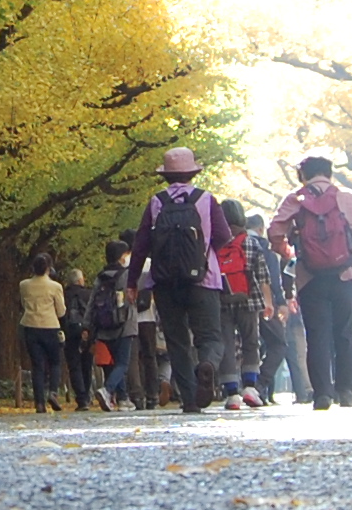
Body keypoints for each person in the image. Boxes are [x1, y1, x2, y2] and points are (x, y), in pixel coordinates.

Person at [126, 148, 239, 411]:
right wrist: (203, 252)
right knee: (210, 337)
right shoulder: (206, 199)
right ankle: (207, 363)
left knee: (177, 342)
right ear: (192, 173)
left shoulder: (156, 202)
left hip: (165, 283)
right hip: (203, 280)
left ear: (166, 175)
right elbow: (224, 236)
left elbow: (141, 245)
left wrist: (132, 282)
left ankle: (190, 400)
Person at [270, 156, 352, 410]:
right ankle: (346, 391)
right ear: (329, 173)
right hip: (345, 274)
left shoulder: (295, 199)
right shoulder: (347, 197)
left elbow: (275, 232)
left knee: (316, 334)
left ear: (303, 176)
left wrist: (291, 253)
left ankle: (322, 394)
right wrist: (343, 252)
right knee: (345, 331)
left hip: (309, 276)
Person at [216, 199, 264, 409]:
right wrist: (268, 302)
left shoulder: (215, 243)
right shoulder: (251, 242)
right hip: (249, 300)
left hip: (222, 301)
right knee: (250, 342)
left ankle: (232, 393)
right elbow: (262, 275)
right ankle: (250, 387)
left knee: (226, 345)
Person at [247, 213, 298, 404]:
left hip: (233, 302)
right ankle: (259, 386)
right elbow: (272, 281)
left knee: (248, 344)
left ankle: (235, 387)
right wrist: (281, 303)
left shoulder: (233, 245)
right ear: (261, 228)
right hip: (263, 303)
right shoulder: (266, 251)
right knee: (278, 344)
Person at [17, 253, 68, 412]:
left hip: (30, 326)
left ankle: (39, 402)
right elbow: (61, 311)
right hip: (50, 326)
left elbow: (23, 304)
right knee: (55, 362)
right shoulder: (55, 287)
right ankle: (53, 392)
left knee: (37, 365)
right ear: (48, 268)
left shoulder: (24, 285)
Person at [94, 241, 138, 408]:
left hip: (104, 325)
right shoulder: (127, 275)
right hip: (124, 324)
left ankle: (123, 398)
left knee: (116, 363)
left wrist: (88, 325)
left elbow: (92, 302)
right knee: (122, 363)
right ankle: (107, 390)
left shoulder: (101, 276)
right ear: (121, 256)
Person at [61, 266, 97, 409]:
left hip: (70, 332)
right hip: (86, 331)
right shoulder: (89, 294)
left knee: (74, 365)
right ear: (80, 280)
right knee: (87, 364)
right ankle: (86, 395)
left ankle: (81, 398)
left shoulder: (64, 294)